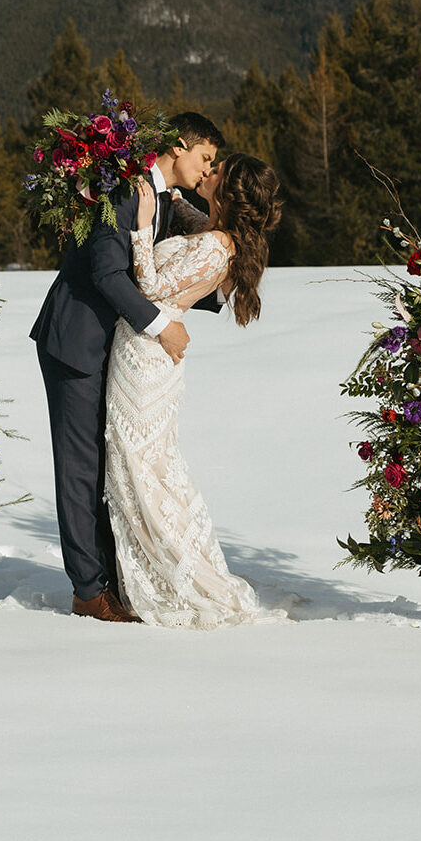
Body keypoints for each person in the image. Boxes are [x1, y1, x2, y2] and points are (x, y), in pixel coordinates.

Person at [30, 112, 225, 622]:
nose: (208, 170)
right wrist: (164, 326)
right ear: (180, 146)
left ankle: (112, 577)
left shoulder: (162, 200)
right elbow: (108, 275)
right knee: (80, 468)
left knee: (109, 463)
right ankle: (89, 592)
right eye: (206, 158)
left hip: (110, 350)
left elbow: (159, 268)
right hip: (75, 340)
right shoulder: (125, 189)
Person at [104, 151, 283, 628]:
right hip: (141, 351)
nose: (209, 171)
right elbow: (188, 222)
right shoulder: (213, 232)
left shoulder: (215, 246)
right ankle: (160, 571)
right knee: (142, 467)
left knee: (144, 470)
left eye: (217, 171)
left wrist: (142, 228)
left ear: (228, 191)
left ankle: (188, 579)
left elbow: (152, 288)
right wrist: (169, 198)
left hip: (148, 356)